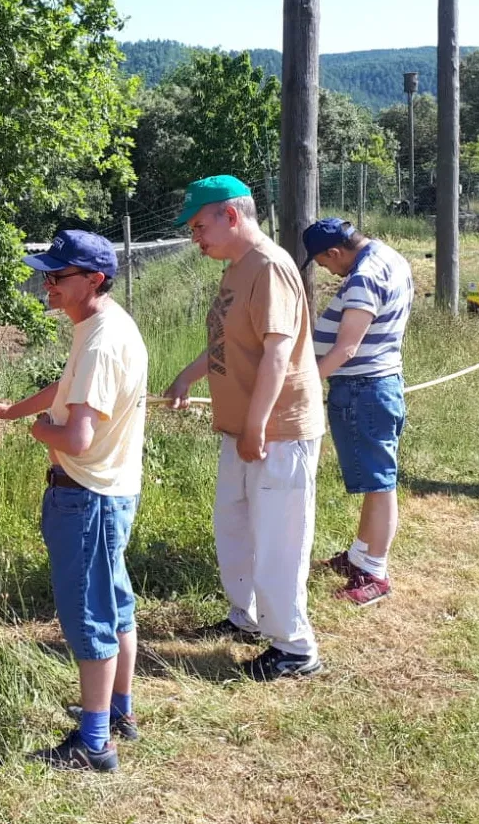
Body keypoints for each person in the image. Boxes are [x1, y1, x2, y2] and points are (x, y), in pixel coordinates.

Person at [0, 229, 147, 773]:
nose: (45, 282)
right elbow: (66, 387)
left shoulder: (99, 340)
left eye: (57, 274)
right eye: (46, 272)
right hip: (111, 492)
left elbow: (75, 437)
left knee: (89, 615)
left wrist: (37, 431)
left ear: (93, 279)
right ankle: (119, 711)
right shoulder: (100, 325)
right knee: (115, 604)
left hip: (87, 497)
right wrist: (15, 409)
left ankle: (95, 743)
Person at [162, 174, 326, 681]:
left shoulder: (271, 267)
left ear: (231, 216)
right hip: (241, 429)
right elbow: (230, 342)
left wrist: (257, 425)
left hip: (277, 431)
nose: (195, 237)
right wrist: (188, 376)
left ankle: (295, 648)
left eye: (198, 225)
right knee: (234, 526)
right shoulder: (236, 268)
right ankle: (248, 618)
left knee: (279, 537)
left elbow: (278, 353)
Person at [303, 218, 414, 606]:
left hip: (365, 388)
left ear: (335, 252)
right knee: (373, 479)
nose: (328, 271)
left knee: (380, 483)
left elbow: (346, 347)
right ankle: (361, 557)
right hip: (376, 384)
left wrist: (302, 384)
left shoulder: (364, 275)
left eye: (323, 263)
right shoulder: (388, 256)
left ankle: (377, 573)